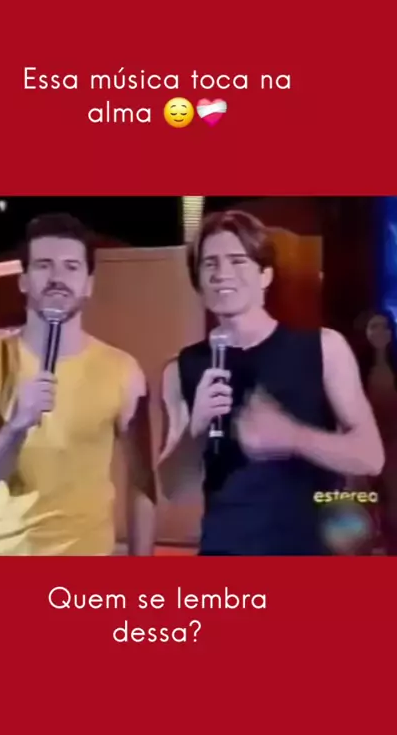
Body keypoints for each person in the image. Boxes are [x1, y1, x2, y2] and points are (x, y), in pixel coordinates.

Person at [158, 208, 384, 555]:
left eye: (237, 261)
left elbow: (371, 457)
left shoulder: (323, 348)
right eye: (209, 264)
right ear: (198, 281)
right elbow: (172, 488)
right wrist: (197, 428)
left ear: (265, 274)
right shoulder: (181, 369)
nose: (222, 273)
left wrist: (293, 436)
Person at [0, 213, 156, 556]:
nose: (57, 278)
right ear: (23, 280)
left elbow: (142, 483)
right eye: (44, 265)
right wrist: (17, 424)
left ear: (89, 284)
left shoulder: (124, 371)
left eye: (71, 267)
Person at [357, 311, 397, 553]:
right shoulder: (356, 368)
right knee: (365, 503)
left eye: (384, 327)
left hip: (394, 444)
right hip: (365, 443)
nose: (380, 332)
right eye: (374, 327)